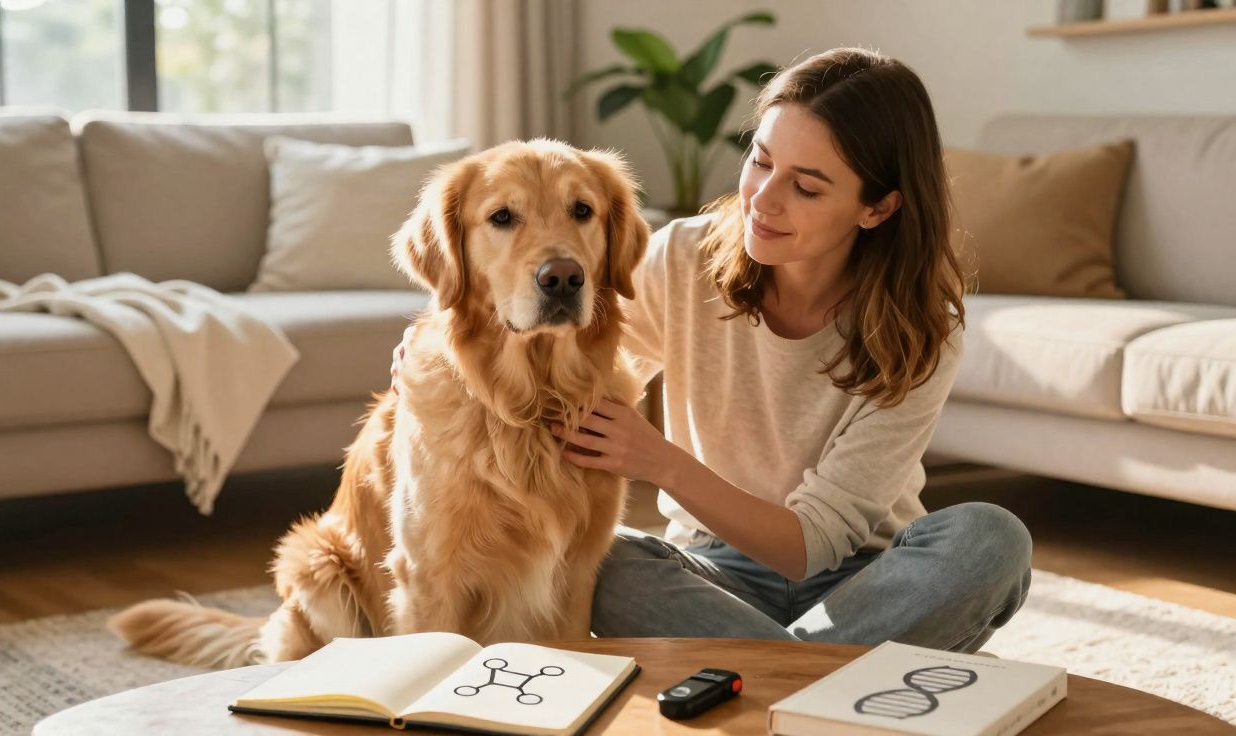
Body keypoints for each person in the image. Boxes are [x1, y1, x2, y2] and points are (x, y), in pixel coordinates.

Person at [396, 47, 1032, 654]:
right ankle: (834, 678)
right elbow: (556, 351)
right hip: (713, 571)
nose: (763, 199)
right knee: (602, 560)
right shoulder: (683, 257)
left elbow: (814, 544)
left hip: (867, 576)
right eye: (760, 160)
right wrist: (429, 361)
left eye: (806, 188)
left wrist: (660, 462)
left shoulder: (923, 328)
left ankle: (768, 672)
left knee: (989, 540)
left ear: (878, 207)